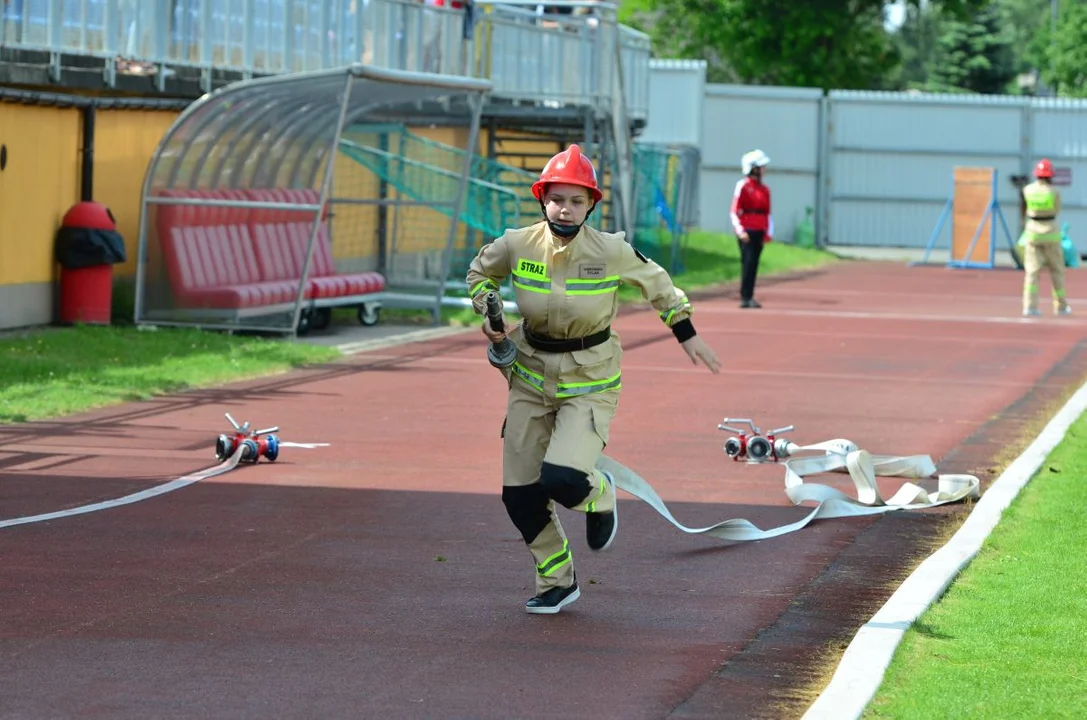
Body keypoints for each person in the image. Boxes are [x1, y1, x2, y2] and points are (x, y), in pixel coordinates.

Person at [466, 144, 721, 615]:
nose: (565, 207)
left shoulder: (611, 250)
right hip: (528, 375)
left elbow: (659, 284)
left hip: (590, 378)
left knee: (562, 480)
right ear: (542, 199)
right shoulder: (517, 243)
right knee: (519, 494)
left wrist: (685, 331)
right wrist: (487, 305)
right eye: (557, 197)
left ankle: (600, 491)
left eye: (577, 199)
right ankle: (558, 581)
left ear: (591, 205)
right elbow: (480, 271)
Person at [1021, 158, 1072, 317]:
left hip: (1033, 233)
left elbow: (1024, 208)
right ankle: (1061, 306)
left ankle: (1029, 306)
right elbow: (1057, 210)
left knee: (1032, 272)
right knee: (1057, 270)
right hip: (1051, 233)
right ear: (1050, 175)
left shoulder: (1027, 190)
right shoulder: (1054, 192)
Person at [729, 149, 774, 309]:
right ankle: (745, 296)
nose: (764, 169)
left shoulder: (764, 189)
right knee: (747, 263)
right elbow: (734, 210)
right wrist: (740, 231)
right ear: (753, 168)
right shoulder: (742, 186)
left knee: (754, 263)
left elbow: (768, 212)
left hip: (759, 230)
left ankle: (750, 295)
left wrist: (768, 232)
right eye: (761, 166)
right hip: (746, 230)